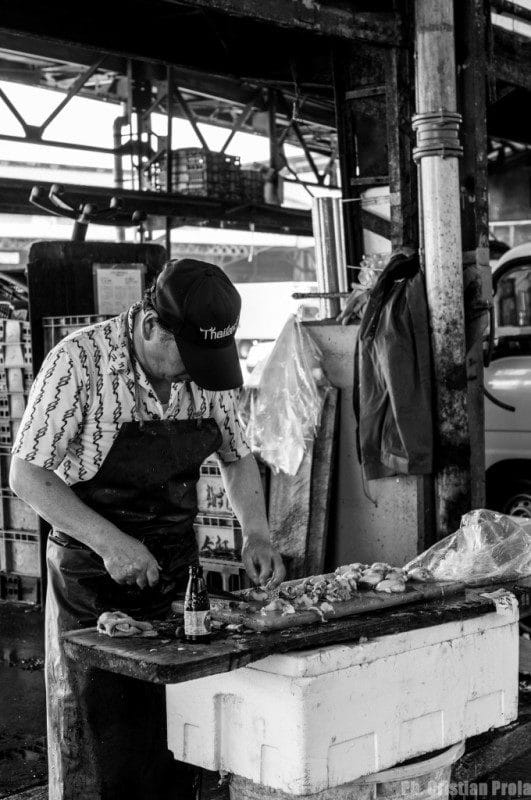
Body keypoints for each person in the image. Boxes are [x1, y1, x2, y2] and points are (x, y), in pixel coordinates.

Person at [10, 258, 285, 800]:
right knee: (100, 737)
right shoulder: (79, 363)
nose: (196, 373)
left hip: (177, 579)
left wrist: (256, 531)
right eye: (190, 357)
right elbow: (27, 475)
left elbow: (237, 456)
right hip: (91, 580)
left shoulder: (205, 378)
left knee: (179, 739)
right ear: (150, 325)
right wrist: (111, 543)